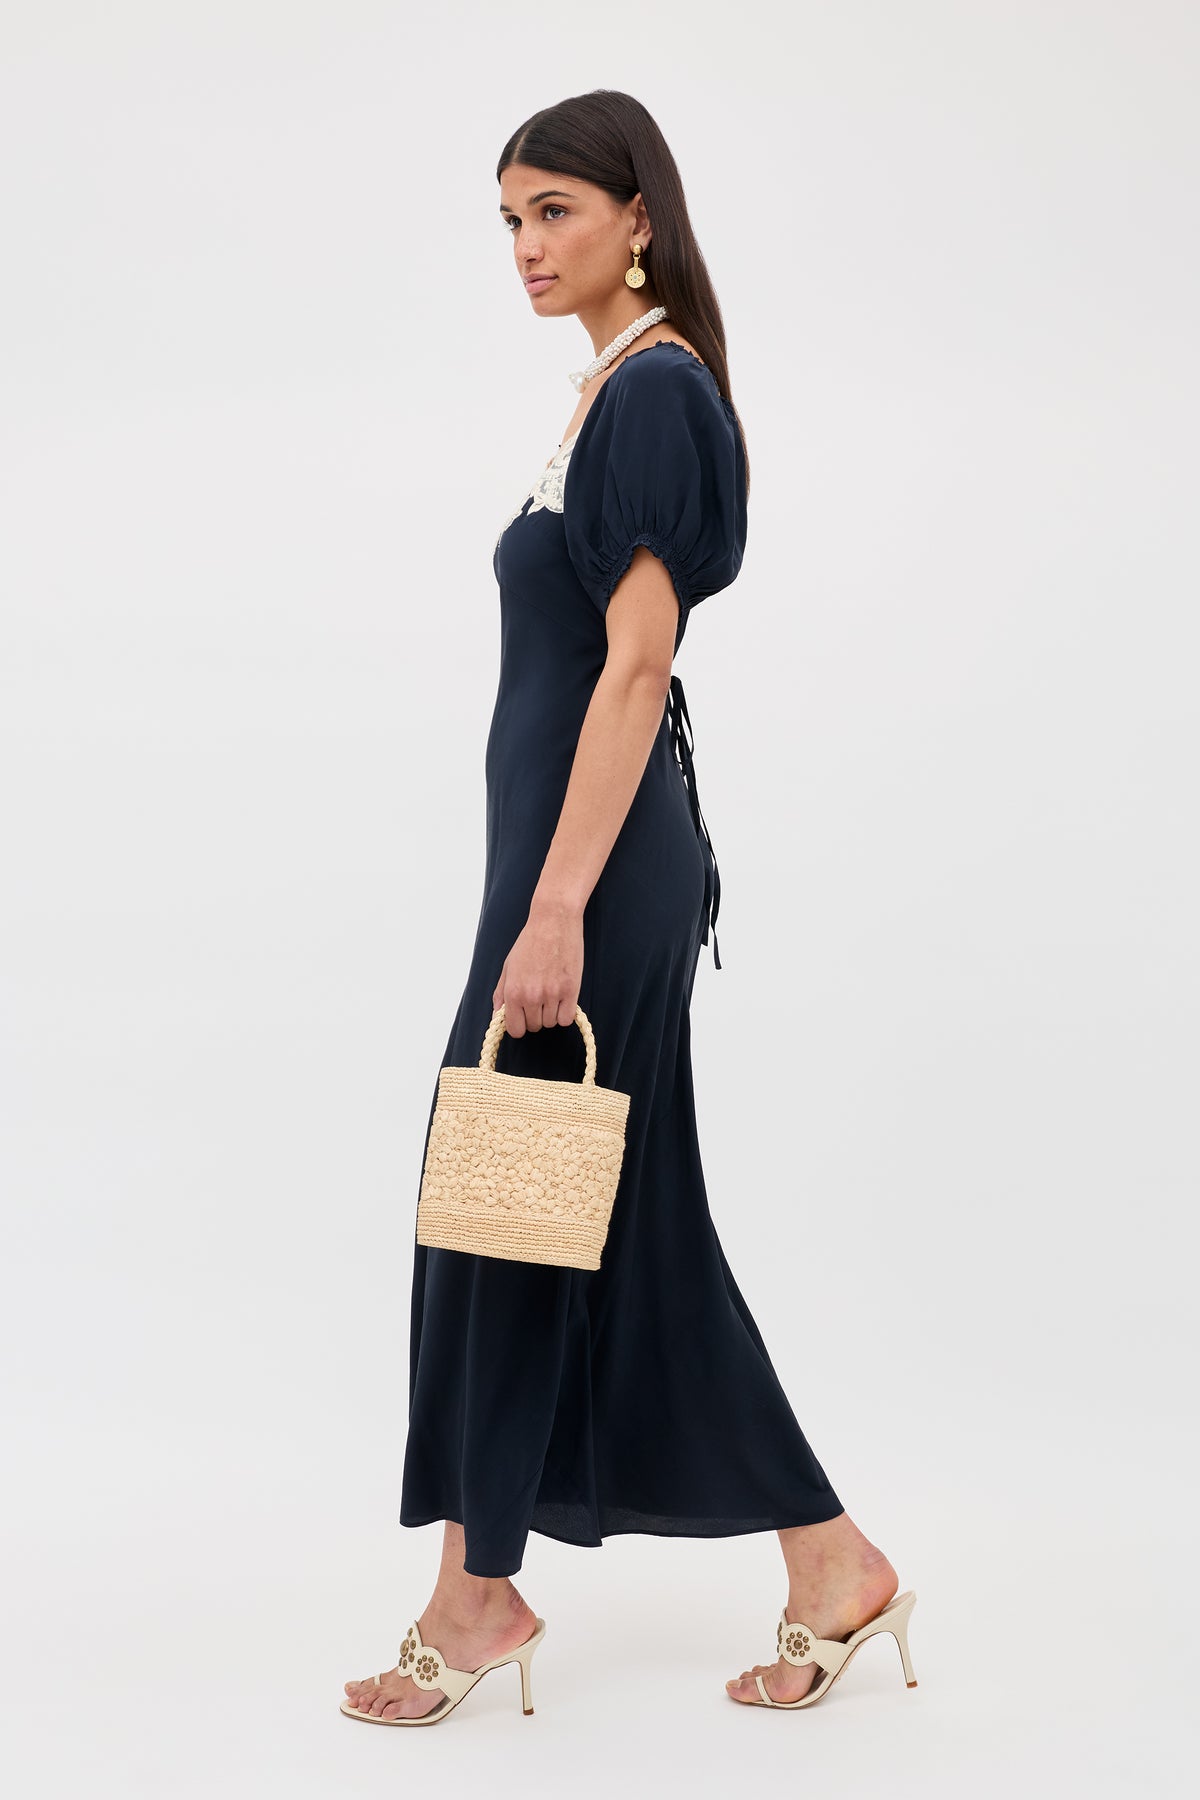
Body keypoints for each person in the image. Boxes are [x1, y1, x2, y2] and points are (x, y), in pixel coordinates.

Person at [342, 89, 915, 1727]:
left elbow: (639, 666)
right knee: (605, 1220)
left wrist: (555, 909)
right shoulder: (611, 393)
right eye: (509, 221)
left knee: (504, 1203)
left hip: (591, 889)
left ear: (637, 216)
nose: (527, 248)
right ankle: (827, 1564)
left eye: (555, 214)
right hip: (570, 879)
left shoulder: (654, 397)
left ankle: (476, 1593)